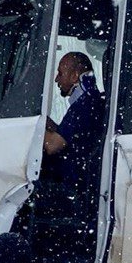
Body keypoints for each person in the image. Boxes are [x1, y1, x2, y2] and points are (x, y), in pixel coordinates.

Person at [43, 52, 106, 192]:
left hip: (74, 187)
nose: (56, 79)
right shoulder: (91, 101)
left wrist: (33, 125)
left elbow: (52, 146)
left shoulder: (85, 104)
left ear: (75, 76)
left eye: (60, 73)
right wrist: (46, 123)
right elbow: (68, 136)